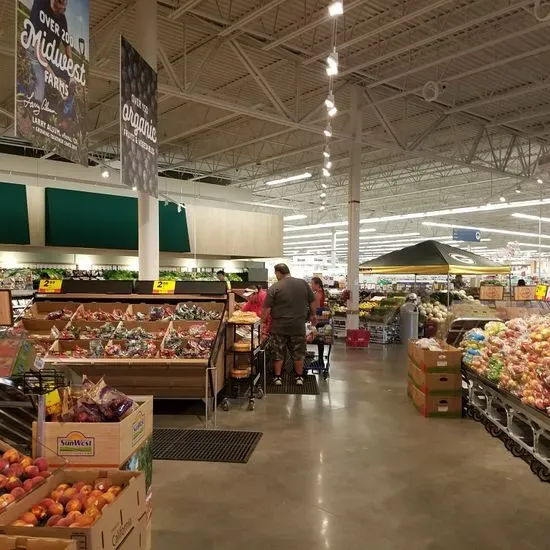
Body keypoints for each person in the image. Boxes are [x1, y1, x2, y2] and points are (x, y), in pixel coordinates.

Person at [262, 264, 316, 386]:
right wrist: (313, 315)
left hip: (279, 327)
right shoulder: (303, 284)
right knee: (298, 353)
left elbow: (266, 309)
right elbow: (312, 302)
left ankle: (277, 377)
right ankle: (299, 377)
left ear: (278, 273)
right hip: (298, 326)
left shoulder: (275, 287)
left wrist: (262, 322)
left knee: (278, 353)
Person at [29, 0, 72, 102]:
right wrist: (55, 79)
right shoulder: (40, 6)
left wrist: (71, 69)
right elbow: (38, 53)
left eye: (64, 8)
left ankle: (63, 103)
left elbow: (67, 46)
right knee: (40, 87)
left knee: (69, 77)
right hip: (33, 47)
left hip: (50, 52)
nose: (62, 10)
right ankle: (31, 99)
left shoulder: (62, 17)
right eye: (59, 6)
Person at [311, 277, 327, 368]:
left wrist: (313, 320)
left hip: (319, 320)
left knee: (319, 340)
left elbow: (315, 309)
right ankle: (320, 360)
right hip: (322, 319)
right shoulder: (321, 292)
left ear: (317, 285)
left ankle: (320, 361)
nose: (311, 286)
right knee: (320, 340)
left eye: (312, 284)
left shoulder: (317, 294)